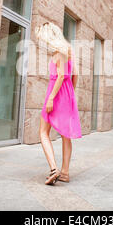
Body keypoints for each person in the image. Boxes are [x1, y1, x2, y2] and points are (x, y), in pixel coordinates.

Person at [35, 22, 82, 185]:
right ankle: (65, 173)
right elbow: (75, 73)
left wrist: (51, 98)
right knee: (65, 135)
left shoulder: (59, 52)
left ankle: (54, 169)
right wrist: (70, 94)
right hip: (66, 94)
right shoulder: (69, 48)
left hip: (55, 94)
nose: (43, 42)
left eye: (43, 38)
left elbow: (61, 76)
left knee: (43, 132)